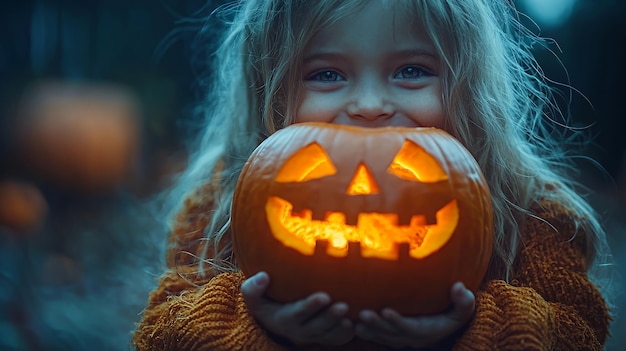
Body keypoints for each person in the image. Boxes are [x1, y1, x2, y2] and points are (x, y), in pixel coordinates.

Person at [132, 0, 615, 349]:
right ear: (271, 90)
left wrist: (468, 333)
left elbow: (578, 330)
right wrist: (258, 329)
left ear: (466, 86)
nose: (368, 106)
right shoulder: (217, 206)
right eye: (326, 75)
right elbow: (160, 330)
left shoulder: (529, 209)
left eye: (410, 71)